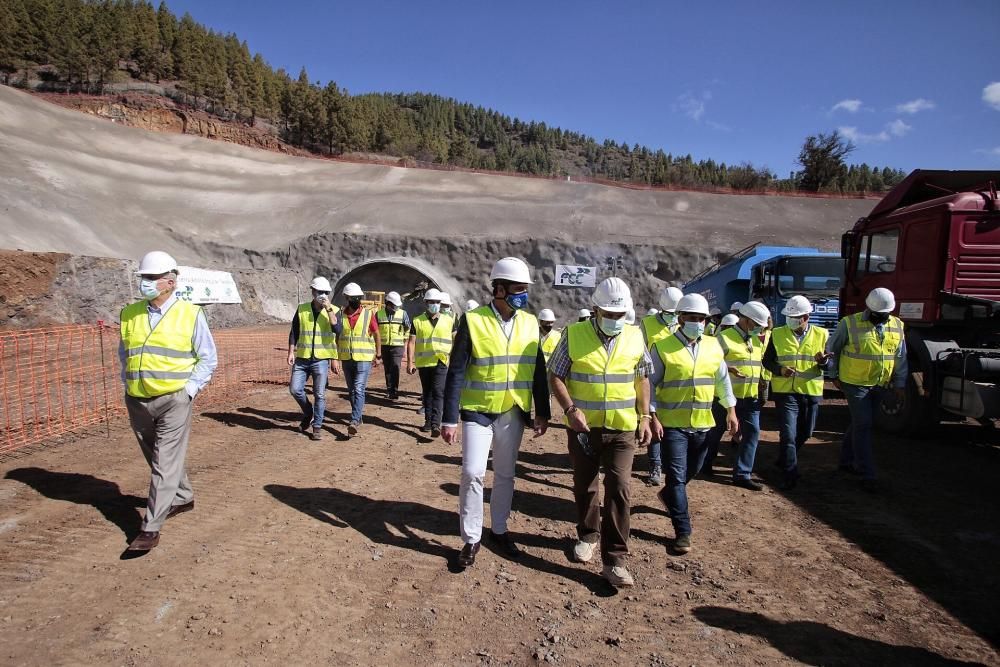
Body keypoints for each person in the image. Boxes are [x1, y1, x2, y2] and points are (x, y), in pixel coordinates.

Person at [442, 257, 551, 568]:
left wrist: (542, 411)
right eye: (518, 289)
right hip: (478, 411)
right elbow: (456, 371)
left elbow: (538, 370)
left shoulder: (529, 323)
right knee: (472, 472)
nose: (523, 294)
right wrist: (449, 418)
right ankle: (471, 538)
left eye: (525, 289)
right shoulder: (473, 320)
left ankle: (499, 530)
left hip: (513, 410)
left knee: (505, 474)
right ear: (499, 289)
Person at [548, 277, 652, 588]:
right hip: (584, 428)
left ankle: (615, 560)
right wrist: (570, 410)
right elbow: (556, 375)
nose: (615, 319)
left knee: (619, 488)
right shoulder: (573, 334)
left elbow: (642, 379)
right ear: (595, 310)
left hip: (622, 428)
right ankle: (588, 535)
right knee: (585, 485)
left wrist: (645, 416)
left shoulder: (635, 336)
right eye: (609, 314)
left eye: (620, 315)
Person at [119, 251, 218, 552]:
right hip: (137, 399)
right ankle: (183, 496)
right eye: (143, 277)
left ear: (170, 282)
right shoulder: (129, 313)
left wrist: (189, 391)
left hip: (174, 399)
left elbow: (208, 358)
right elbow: (125, 353)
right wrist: (128, 384)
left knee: (164, 462)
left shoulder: (190, 314)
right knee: (157, 456)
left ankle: (150, 528)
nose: (145, 283)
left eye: (151, 278)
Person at [650, 293, 737, 555]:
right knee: (676, 477)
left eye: (701, 319)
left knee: (694, 470)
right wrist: (652, 415)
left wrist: (731, 410)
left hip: (703, 423)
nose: (697, 323)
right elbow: (649, 385)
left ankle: (668, 495)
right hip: (672, 424)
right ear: (680, 319)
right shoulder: (662, 347)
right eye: (692, 318)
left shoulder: (713, 346)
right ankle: (683, 531)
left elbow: (722, 380)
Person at [828, 287, 907, 492]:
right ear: (869, 309)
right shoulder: (849, 323)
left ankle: (845, 461)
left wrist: (900, 383)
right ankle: (866, 472)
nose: (882, 316)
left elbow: (900, 356)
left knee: (859, 423)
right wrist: (833, 374)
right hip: (854, 383)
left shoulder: (897, 325)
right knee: (864, 424)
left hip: (880, 383)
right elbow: (832, 349)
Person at [763, 295, 831, 490]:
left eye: (795, 317)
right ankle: (790, 473)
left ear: (806, 317)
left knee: (806, 432)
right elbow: (767, 361)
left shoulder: (822, 334)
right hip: (785, 392)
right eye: (789, 317)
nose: (790, 320)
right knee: (788, 434)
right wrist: (780, 370)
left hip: (810, 391)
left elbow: (830, 364)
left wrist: (824, 362)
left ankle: (784, 458)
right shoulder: (777, 334)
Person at [700, 301, 770, 489]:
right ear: (746, 320)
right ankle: (704, 463)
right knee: (715, 433)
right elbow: (709, 364)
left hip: (751, 397)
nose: (760, 329)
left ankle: (742, 474)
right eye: (758, 325)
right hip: (725, 398)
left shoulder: (755, 341)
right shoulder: (723, 338)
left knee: (752, 433)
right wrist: (728, 368)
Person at [288, 276, 343, 440]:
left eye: (326, 292)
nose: (323, 295)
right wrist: (290, 351)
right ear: (313, 291)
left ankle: (317, 426)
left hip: (321, 359)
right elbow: (294, 331)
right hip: (303, 357)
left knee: (319, 394)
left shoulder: (334, 310)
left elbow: (338, 330)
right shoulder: (302, 309)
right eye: (320, 292)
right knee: (295, 390)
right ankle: (308, 412)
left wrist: (329, 309)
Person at [639, 286, 683, 487]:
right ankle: (655, 465)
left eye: (676, 313)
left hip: (676, 380)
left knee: (673, 425)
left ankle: (670, 462)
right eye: (669, 313)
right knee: (654, 422)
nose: (673, 317)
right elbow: (641, 351)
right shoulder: (647, 324)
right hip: (653, 380)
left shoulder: (683, 322)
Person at [407, 288, 454, 436]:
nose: (435, 304)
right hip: (424, 362)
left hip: (441, 360)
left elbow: (456, 339)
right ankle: (428, 422)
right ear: (426, 303)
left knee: (438, 391)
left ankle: (435, 424)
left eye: (437, 302)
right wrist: (410, 362)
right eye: (432, 302)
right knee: (427, 392)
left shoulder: (449, 320)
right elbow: (411, 342)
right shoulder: (417, 321)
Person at [338, 282, 381, 436]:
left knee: (358, 388)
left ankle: (354, 420)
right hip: (346, 358)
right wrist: (335, 357)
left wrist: (378, 354)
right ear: (347, 298)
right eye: (353, 297)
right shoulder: (340, 315)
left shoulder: (368, 314)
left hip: (364, 358)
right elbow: (337, 336)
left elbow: (376, 334)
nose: (356, 300)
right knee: (351, 391)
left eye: (358, 297)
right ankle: (357, 415)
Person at [376, 291, 410, 401]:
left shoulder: (403, 313)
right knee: (387, 369)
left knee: (395, 367)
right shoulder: (379, 314)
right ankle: (389, 389)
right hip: (384, 346)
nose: (396, 308)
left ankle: (394, 391)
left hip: (398, 346)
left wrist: (405, 343)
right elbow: (375, 331)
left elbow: (408, 328)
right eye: (394, 305)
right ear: (388, 304)